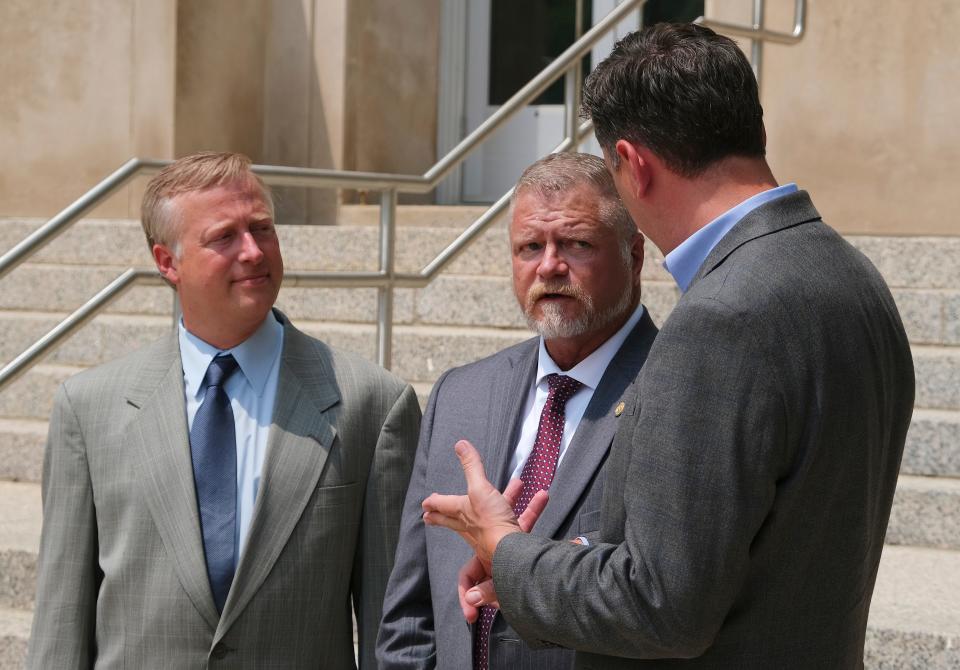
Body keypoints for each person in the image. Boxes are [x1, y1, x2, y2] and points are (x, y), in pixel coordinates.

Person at [422, 23, 915, 668]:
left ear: (632, 164)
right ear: (753, 132)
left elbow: (662, 608)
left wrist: (507, 549)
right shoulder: (855, 278)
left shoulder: (719, 317)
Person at [26, 152, 421, 669]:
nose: (254, 251)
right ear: (168, 262)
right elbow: (61, 618)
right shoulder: (89, 408)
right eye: (225, 237)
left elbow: (389, 625)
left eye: (263, 228)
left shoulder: (372, 403)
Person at [377, 152, 658, 670]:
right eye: (530, 246)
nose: (549, 265)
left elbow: (665, 593)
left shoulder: (673, 391)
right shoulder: (459, 394)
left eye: (577, 244)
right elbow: (410, 615)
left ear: (634, 256)